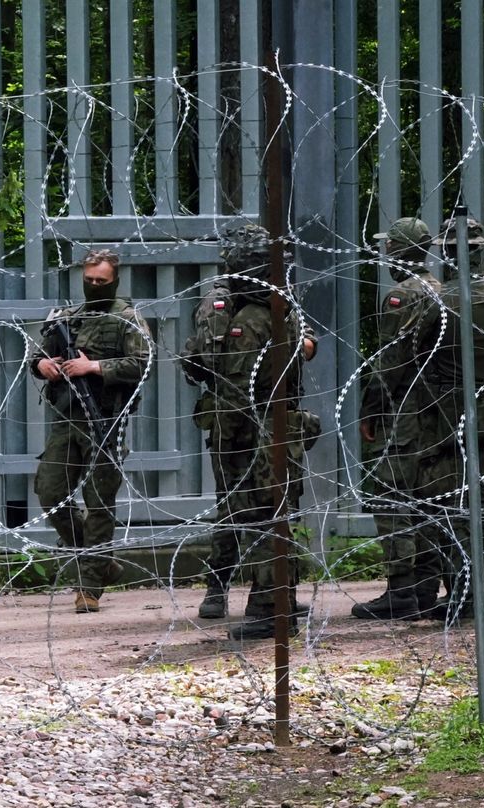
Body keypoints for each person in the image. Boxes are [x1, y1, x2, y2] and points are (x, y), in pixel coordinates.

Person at [361, 215, 484, 623]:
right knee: (480, 504)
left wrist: (372, 407)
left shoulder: (441, 299)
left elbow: (399, 358)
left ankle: (462, 594)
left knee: (442, 505)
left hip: (438, 412)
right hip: (483, 407)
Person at [181, 223, 320, 640]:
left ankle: (269, 609)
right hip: (270, 425)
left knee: (262, 515)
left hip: (252, 432)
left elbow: (235, 383)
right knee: (274, 514)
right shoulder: (276, 308)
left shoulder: (253, 318)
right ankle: (274, 600)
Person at [30, 250, 151, 613]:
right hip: (67, 420)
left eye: (102, 281)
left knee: (100, 504)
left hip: (106, 422)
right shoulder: (67, 318)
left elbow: (142, 363)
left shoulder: (128, 318)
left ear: (115, 280)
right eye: (90, 280)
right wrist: (43, 364)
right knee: (51, 492)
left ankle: (89, 587)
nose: (94, 286)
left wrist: (94, 366)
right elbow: (36, 355)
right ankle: (99, 559)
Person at [352, 217, 444, 619]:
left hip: (406, 409)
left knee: (389, 495)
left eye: (389, 247)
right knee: (426, 497)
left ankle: (401, 590)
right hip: (439, 409)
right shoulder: (441, 290)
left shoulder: (402, 296)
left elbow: (391, 361)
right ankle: (425, 587)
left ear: (400, 251)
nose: (385, 254)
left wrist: (370, 409)